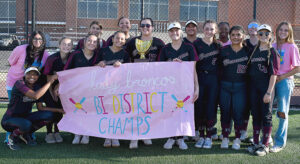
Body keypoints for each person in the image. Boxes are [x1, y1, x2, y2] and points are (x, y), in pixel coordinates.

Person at [158, 22, 199, 150]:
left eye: (177, 30)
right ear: (168, 33)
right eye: (171, 30)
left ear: (181, 32)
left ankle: (181, 138)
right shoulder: (165, 49)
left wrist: (196, 87)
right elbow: (160, 68)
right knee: (170, 110)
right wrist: (171, 63)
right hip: (169, 85)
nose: (174, 33)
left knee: (183, 110)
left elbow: (193, 68)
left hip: (184, 86)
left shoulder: (189, 47)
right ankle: (171, 137)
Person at [1, 67, 63, 150]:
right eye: (29, 74)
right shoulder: (20, 83)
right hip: (10, 119)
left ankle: (25, 134)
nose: (32, 76)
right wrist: (50, 81)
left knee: (50, 115)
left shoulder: (37, 87)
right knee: (26, 124)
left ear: (38, 77)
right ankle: (12, 138)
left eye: (35, 74)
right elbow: (35, 96)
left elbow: (40, 108)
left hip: (25, 117)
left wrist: (59, 110)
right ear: (25, 75)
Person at [125, 17, 165, 149]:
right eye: (143, 25)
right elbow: (126, 59)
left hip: (152, 81)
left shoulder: (159, 43)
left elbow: (164, 62)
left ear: (152, 27)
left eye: (148, 25)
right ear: (139, 28)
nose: (145, 28)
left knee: (148, 107)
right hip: (135, 80)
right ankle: (134, 136)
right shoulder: (132, 43)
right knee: (135, 107)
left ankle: (146, 133)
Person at [5, 31, 50, 142]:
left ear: (43, 41)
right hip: (15, 84)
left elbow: (45, 69)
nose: (37, 41)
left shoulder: (45, 54)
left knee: (27, 109)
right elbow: (11, 62)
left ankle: (26, 133)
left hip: (30, 86)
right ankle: (9, 137)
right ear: (30, 40)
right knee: (15, 111)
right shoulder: (20, 49)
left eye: (40, 39)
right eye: (35, 39)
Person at [247, 24, 280, 156]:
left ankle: (265, 145)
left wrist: (269, 92)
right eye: (261, 33)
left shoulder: (272, 52)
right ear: (257, 35)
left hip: (265, 89)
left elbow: (273, 74)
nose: (264, 36)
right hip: (253, 88)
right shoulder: (254, 50)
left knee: (266, 115)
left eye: (267, 33)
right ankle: (256, 143)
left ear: (271, 35)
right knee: (255, 115)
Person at [269, 22, 300, 153]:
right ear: (277, 31)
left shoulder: (292, 47)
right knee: (267, 110)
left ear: (289, 32)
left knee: (282, 112)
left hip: (284, 81)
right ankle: (266, 138)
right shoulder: (272, 46)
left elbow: (297, 68)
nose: (283, 32)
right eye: (280, 29)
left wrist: (282, 77)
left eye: (286, 30)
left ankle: (279, 143)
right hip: (271, 81)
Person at [97, 31, 130, 148]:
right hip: (104, 86)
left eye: (122, 39)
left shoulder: (125, 54)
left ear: (125, 41)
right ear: (112, 39)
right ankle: (107, 135)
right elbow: (93, 67)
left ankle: (115, 135)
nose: (119, 41)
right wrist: (99, 64)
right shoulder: (103, 51)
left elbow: (130, 70)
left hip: (119, 86)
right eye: (117, 38)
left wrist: (122, 66)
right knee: (106, 109)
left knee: (117, 109)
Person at [64, 34, 99, 144]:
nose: (91, 43)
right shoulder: (76, 54)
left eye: (94, 42)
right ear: (84, 41)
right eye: (89, 41)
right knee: (77, 111)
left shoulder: (98, 55)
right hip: (76, 88)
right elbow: (66, 70)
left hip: (91, 89)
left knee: (89, 111)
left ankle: (86, 134)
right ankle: (77, 133)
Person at [219, 25, 249, 150]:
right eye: (233, 35)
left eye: (238, 35)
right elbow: (218, 68)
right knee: (225, 111)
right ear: (230, 36)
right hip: (225, 86)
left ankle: (237, 138)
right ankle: (225, 137)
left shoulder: (248, 51)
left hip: (240, 86)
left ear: (243, 36)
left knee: (238, 112)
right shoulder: (224, 50)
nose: (236, 37)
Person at [193, 20, 221, 149]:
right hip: (200, 78)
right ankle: (201, 136)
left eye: (212, 29)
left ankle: (209, 136)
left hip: (213, 79)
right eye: (207, 28)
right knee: (199, 107)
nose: (209, 31)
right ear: (202, 30)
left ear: (215, 31)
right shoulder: (196, 44)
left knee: (211, 107)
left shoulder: (218, 45)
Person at [43, 37, 73, 143]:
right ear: (59, 45)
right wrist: (51, 92)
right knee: (52, 107)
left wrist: (60, 87)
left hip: (65, 88)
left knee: (60, 109)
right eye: (64, 44)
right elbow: (48, 76)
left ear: (72, 47)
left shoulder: (72, 57)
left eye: (69, 44)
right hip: (49, 86)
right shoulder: (52, 58)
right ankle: (49, 133)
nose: (66, 46)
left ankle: (57, 132)